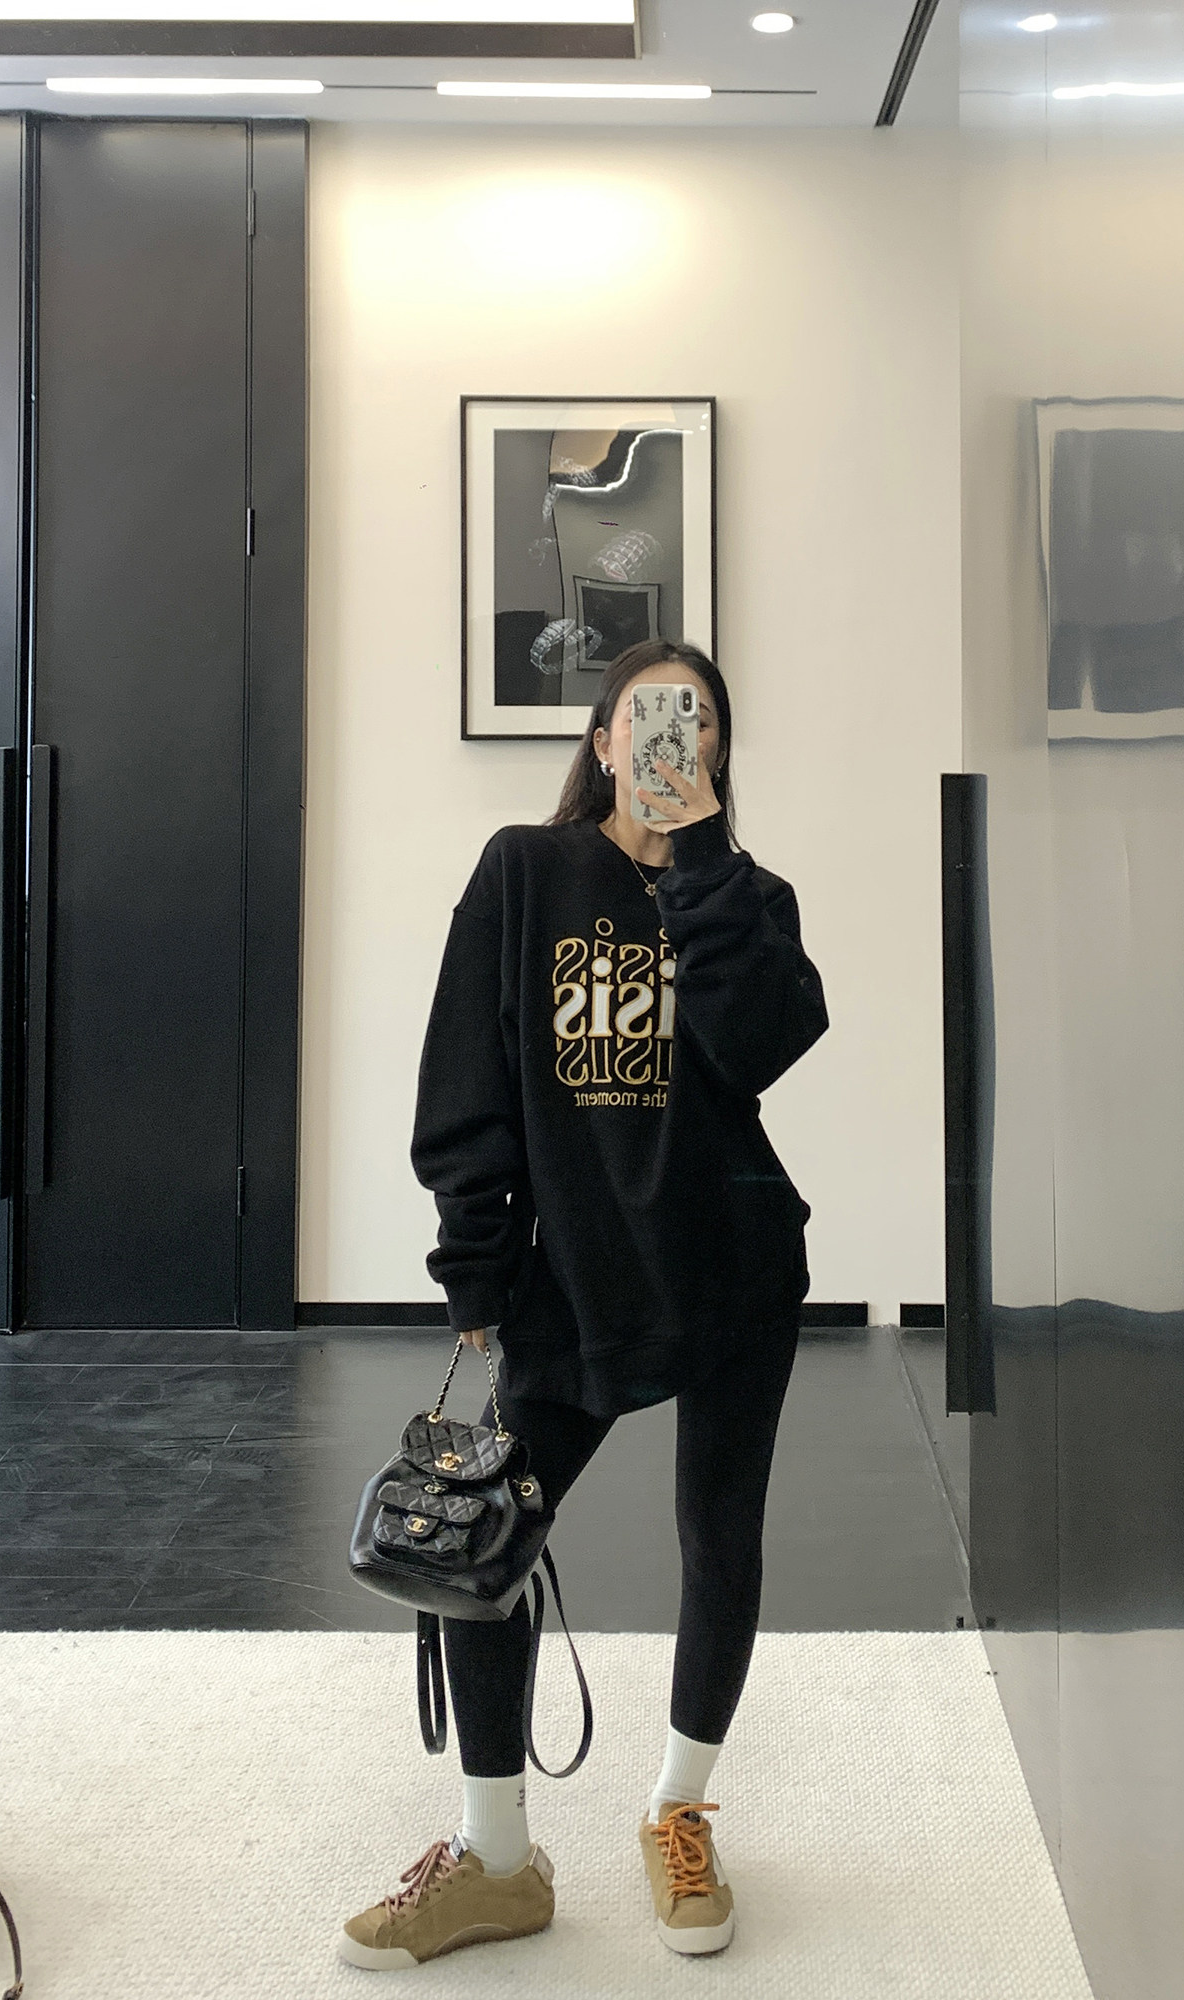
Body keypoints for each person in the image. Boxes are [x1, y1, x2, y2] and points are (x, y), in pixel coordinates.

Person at [340, 638, 829, 1971]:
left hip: (735, 1272)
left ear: (717, 755)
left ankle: (679, 1812)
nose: (673, 740)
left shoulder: (750, 898)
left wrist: (704, 860)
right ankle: (497, 1860)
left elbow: (762, 1044)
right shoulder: (524, 873)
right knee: (481, 1542)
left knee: (719, 1539)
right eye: (649, 718)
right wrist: (476, 1263)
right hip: (580, 1280)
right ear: (603, 741)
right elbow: (466, 1078)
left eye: (699, 723)